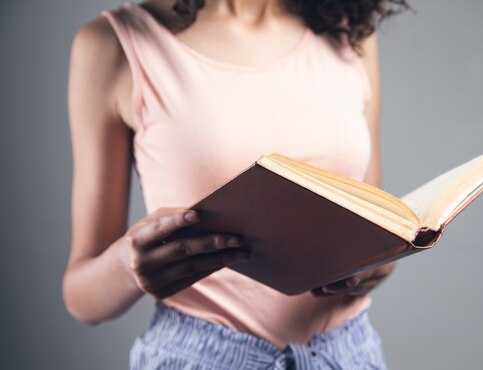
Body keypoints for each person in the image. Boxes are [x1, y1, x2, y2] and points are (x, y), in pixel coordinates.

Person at [63, 0, 412, 368]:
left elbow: (376, 225)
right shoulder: (116, 43)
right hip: (200, 356)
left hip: (348, 354)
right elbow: (81, 297)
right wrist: (127, 264)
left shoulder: (350, 30)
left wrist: (378, 260)